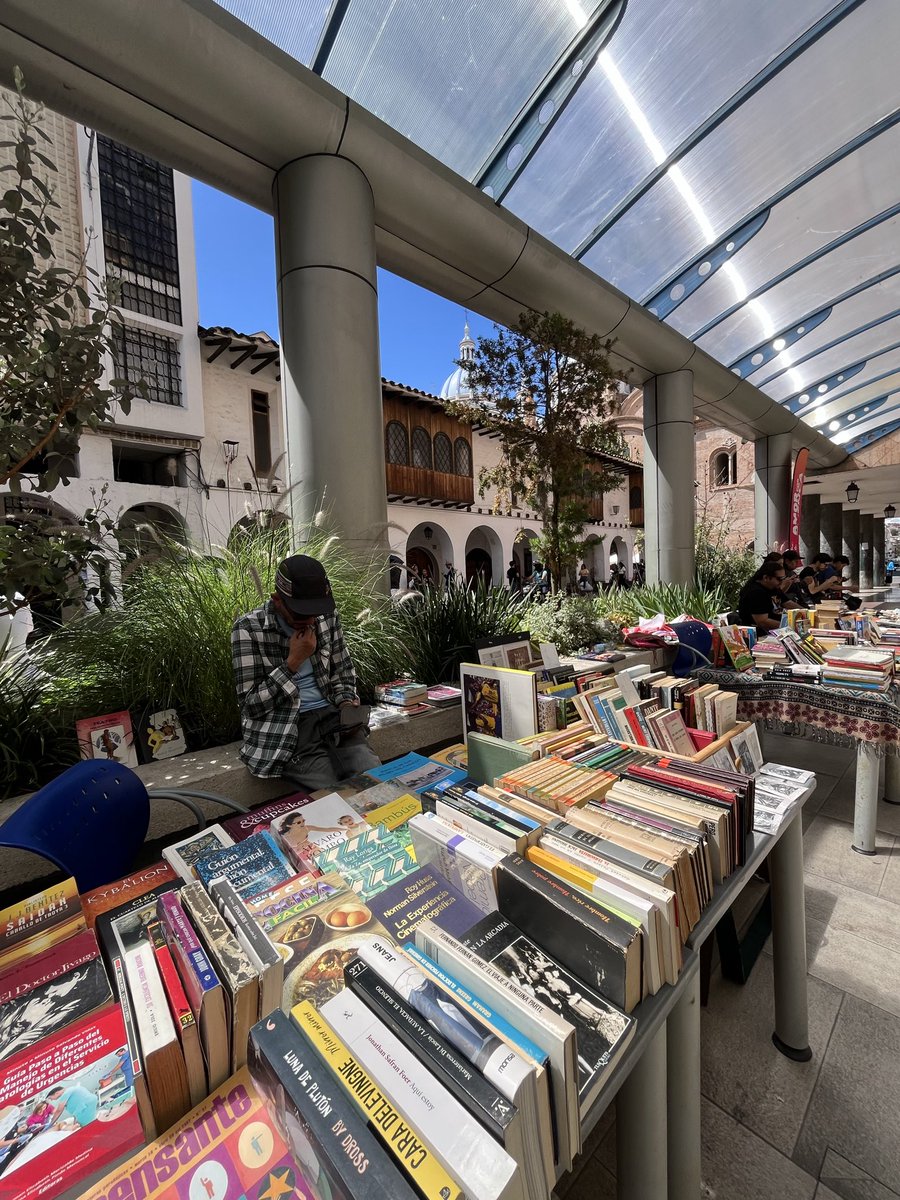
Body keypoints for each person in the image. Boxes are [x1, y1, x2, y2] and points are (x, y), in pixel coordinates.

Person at [232, 554, 381, 791]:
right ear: (277, 600)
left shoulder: (327, 617)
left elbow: (342, 670)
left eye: (315, 611)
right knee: (333, 794)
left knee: (373, 781)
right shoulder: (248, 629)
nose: (310, 620)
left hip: (333, 719)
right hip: (289, 728)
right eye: (301, 613)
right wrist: (292, 662)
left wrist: (346, 706)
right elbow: (251, 705)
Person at [737, 561, 788, 633]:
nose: (782, 582)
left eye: (783, 578)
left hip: (774, 630)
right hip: (760, 634)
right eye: (779, 579)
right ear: (766, 578)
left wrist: (807, 612)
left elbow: (787, 602)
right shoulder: (756, 592)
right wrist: (789, 627)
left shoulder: (773, 587)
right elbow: (762, 622)